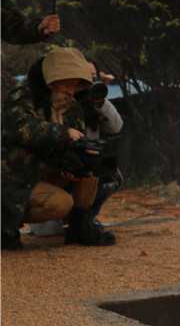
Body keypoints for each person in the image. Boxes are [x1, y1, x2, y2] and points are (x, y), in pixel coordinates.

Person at [1, 47, 116, 249]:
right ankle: (5, 224)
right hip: (15, 176)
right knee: (59, 203)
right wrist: (63, 133)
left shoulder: (71, 101)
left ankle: (81, 225)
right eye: (69, 84)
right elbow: (21, 128)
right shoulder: (23, 93)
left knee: (90, 162)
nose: (72, 90)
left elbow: (78, 136)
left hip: (44, 169)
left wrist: (71, 167)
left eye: (77, 85)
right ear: (53, 77)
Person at [83, 61, 124, 219]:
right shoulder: (64, 102)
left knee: (110, 179)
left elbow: (116, 127)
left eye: (94, 76)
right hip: (67, 167)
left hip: (90, 164)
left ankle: (88, 217)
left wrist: (101, 102)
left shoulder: (96, 103)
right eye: (86, 77)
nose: (91, 81)